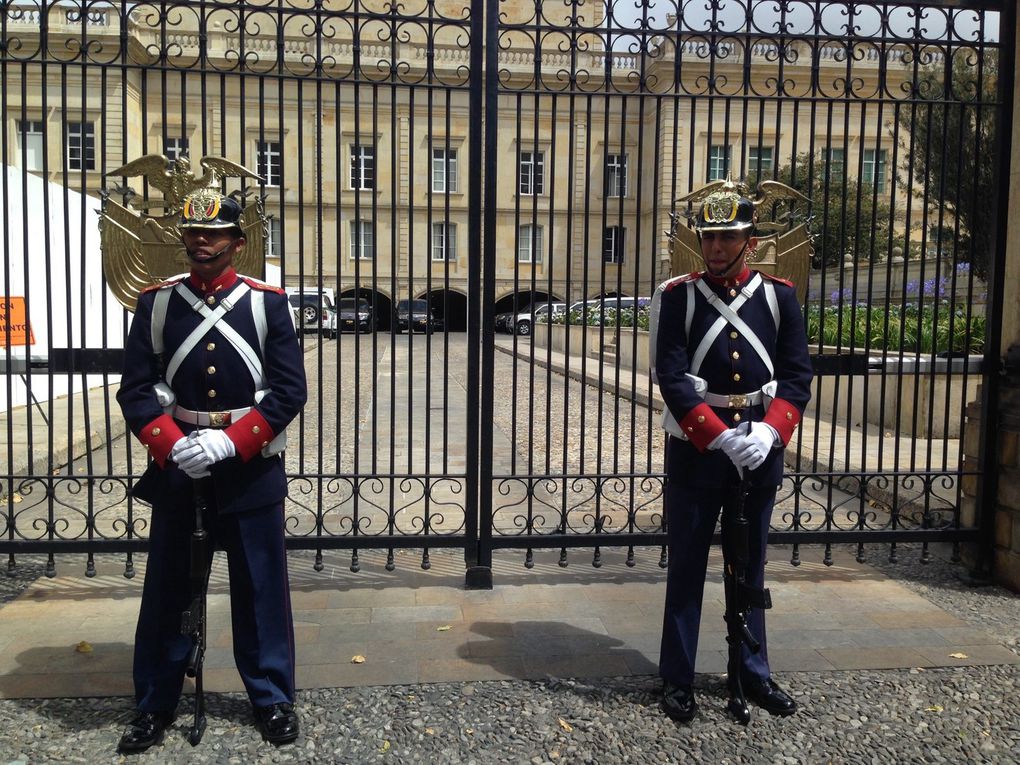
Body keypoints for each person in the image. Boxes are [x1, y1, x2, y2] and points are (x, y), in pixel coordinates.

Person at [116, 189, 307, 751]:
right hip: (180, 469)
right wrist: (171, 444)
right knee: (169, 591)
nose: (202, 242)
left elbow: (289, 390)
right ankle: (154, 701)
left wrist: (230, 444)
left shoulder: (266, 304)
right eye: (194, 234)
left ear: (237, 243)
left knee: (260, 590)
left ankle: (271, 698)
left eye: (215, 233)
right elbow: (136, 388)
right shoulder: (156, 304)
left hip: (247, 469)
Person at [650, 189, 812, 722]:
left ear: (751, 241)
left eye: (729, 237)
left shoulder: (779, 297)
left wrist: (770, 433)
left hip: (759, 451)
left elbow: (795, 377)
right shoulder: (679, 297)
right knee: (688, 569)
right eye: (710, 237)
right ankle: (677, 677)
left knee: (751, 568)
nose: (717, 247)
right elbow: (671, 376)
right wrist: (717, 434)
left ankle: (754, 672)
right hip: (698, 452)